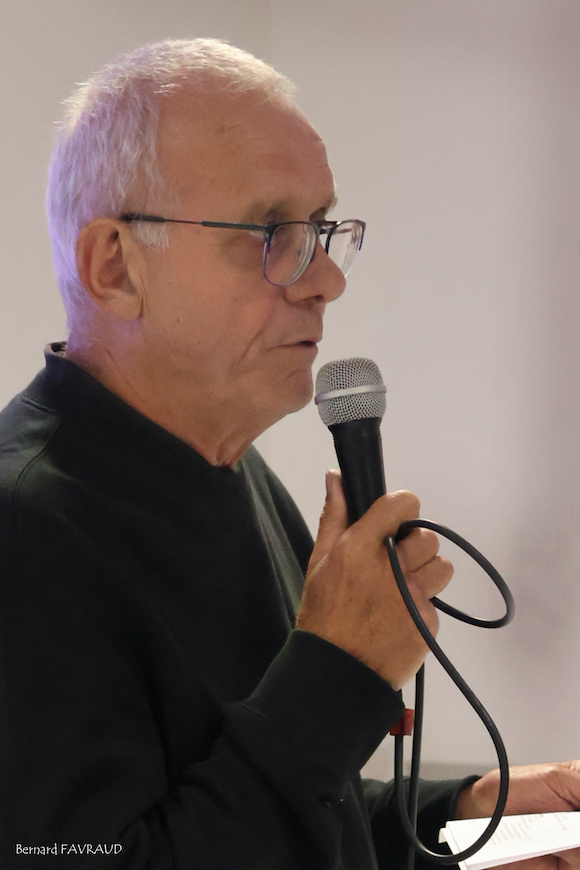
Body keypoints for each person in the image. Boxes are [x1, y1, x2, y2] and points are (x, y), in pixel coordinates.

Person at [0, 37, 578, 870]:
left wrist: (459, 822)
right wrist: (340, 670)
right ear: (116, 267)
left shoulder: (231, 470)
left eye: (321, 230)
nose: (326, 281)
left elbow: (276, 801)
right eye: (272, 231)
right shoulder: (25, 530)